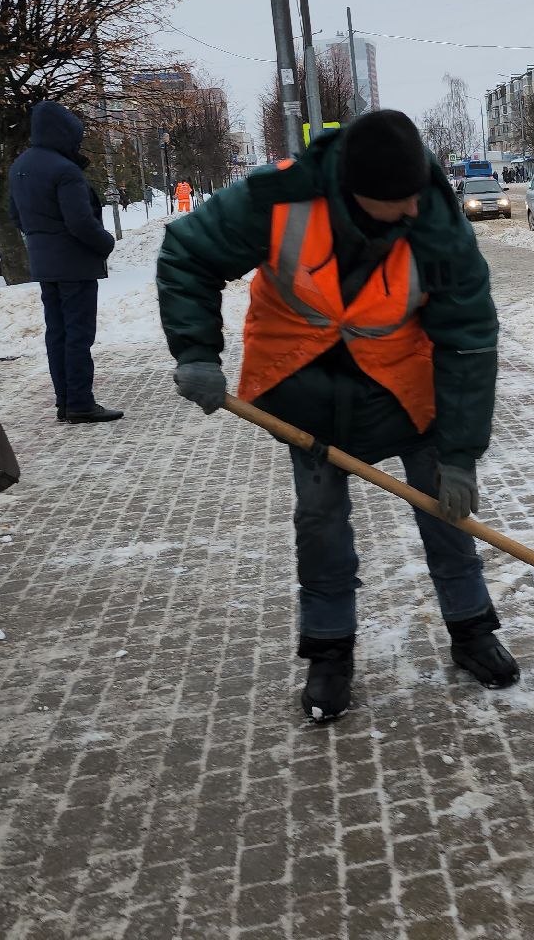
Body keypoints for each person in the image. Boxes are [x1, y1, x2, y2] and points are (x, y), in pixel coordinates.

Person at [157, 110, 515, 724]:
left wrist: (460, 455)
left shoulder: (438, 226)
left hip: (406, 385)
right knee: (320, 521)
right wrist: (195, 351)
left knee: (444, 508)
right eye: (392, 200)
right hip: (303, 385)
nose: (408, 210)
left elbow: (470, 342)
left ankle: (472, 628)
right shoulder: (278, 196)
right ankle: (329, 652)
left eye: (412, 196)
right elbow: (189, 253)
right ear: (352, 191)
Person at [8, 101, 122, 423]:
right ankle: (81, 404)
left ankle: (65, 402)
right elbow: (80, 223)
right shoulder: (64, 169)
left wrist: (44, 242)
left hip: (45, 265)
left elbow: (16, 215)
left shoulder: (20, 167)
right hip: (75, 265)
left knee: (57, 334)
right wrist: (106, 243)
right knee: (78, 335)